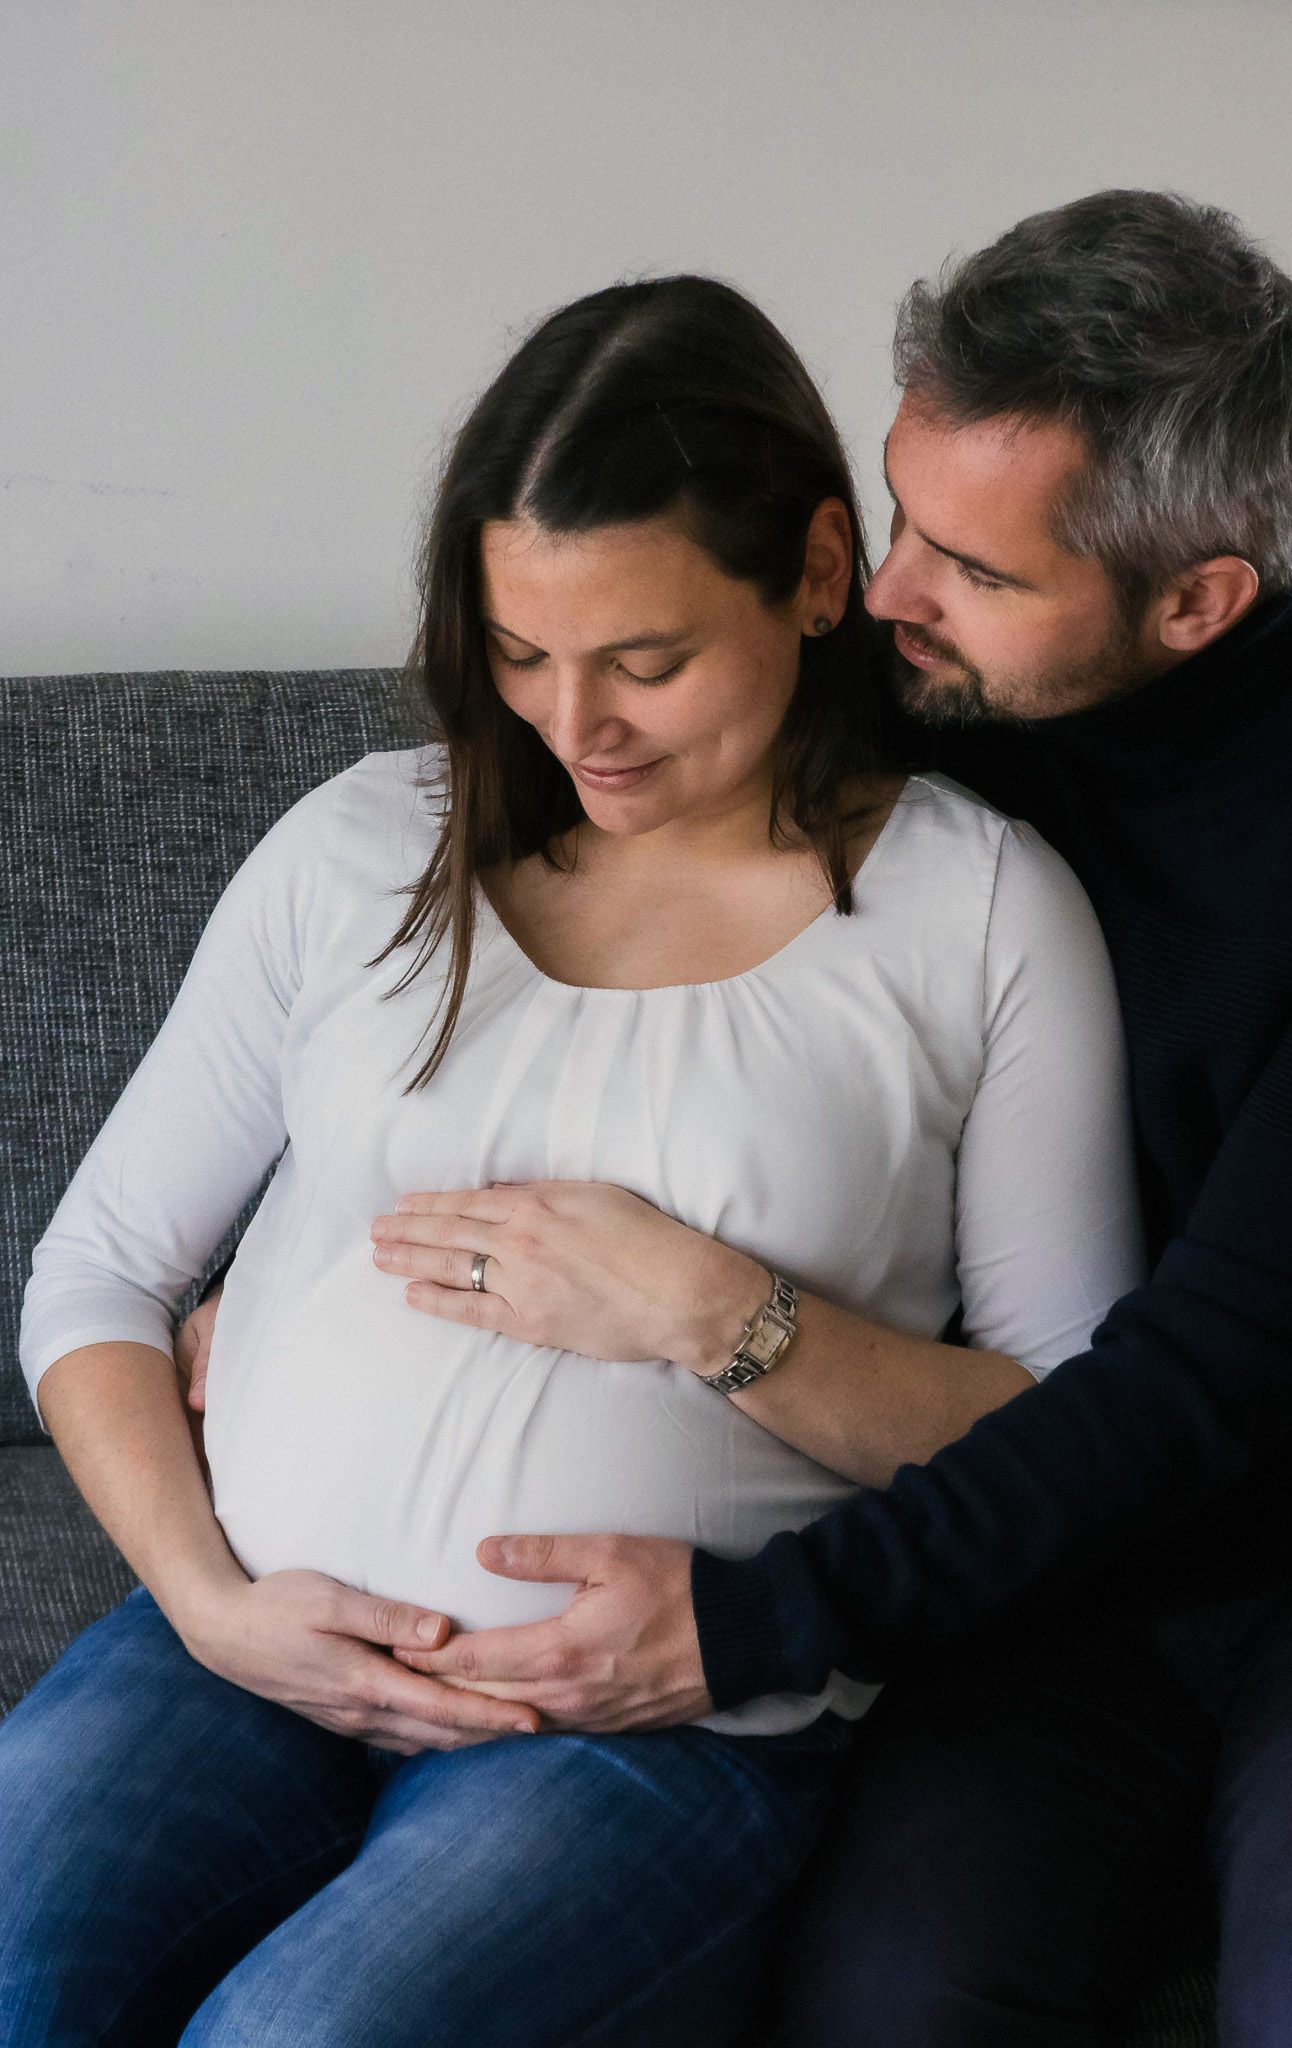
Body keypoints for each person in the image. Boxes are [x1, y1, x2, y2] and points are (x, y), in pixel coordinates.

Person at [344, 193, 1292, 2046]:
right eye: (903, 516)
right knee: (897, 2006)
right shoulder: (918, 700)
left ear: (1198, 600)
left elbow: (1193, 1386)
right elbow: (600, 940)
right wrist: (281, 1268)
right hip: (1049, 1555)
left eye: (973, 565)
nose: (892, 593)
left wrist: (746, 1624)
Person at [0, 276, 1141, 2045]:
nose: (574, 724)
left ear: (822, 574)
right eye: (522, 653)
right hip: (239, 1648)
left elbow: (1079, 1439)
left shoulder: (978, 913)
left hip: (650, 1729)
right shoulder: (363, 847)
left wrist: (720, 1314)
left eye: (649, 659)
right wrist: (212, 1605)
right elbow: (96, 1274)